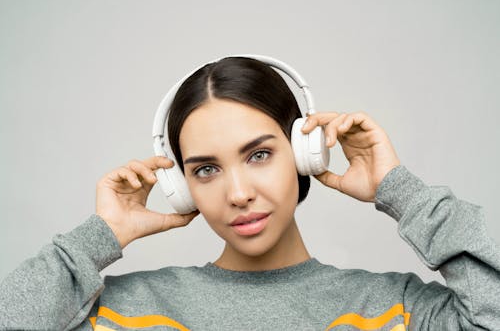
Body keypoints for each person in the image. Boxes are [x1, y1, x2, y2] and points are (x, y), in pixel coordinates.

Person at [1, 57, 499, 331]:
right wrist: (97, 237)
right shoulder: (121, 313)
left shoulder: (395, 311)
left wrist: (401, 191)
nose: (237, 193)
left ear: (305, 153)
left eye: (258, 155)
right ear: (181, 187)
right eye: (206, 169)